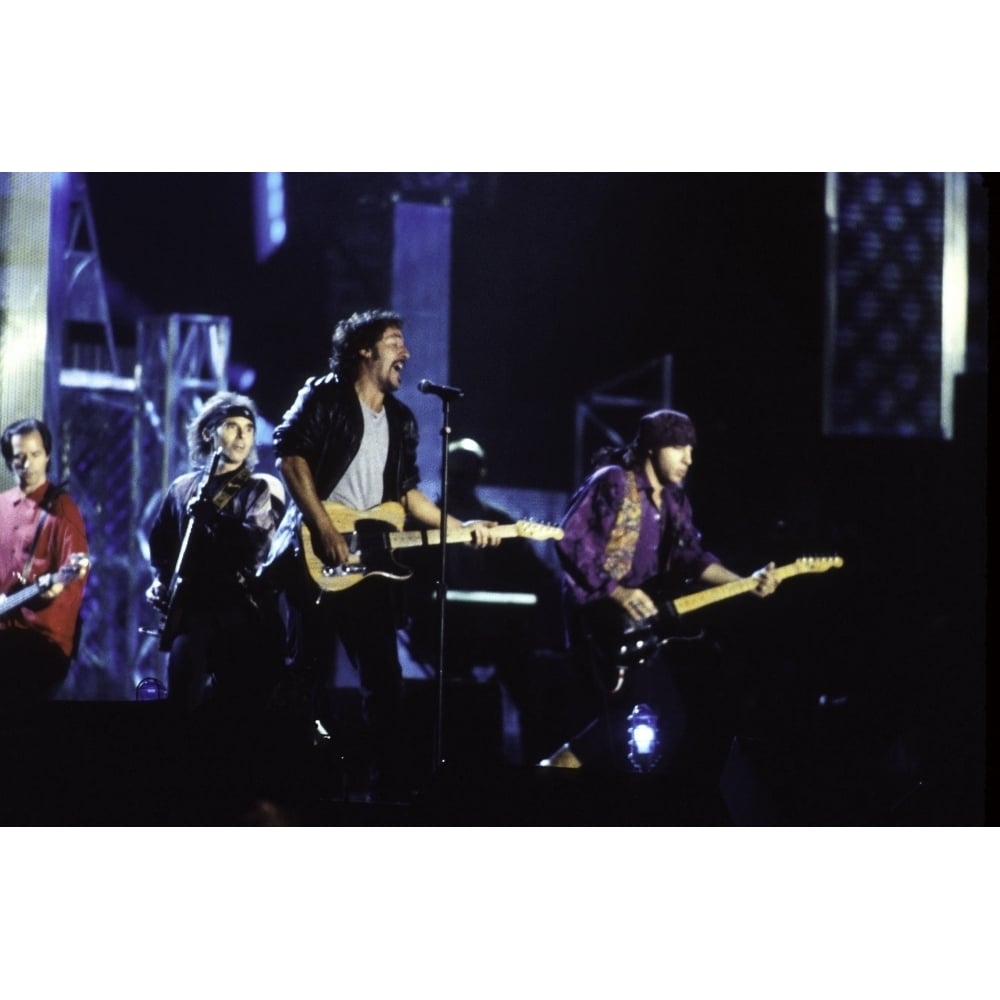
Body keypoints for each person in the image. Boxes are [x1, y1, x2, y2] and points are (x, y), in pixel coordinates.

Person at [263, 308, 499, 800]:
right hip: (316, 557)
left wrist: (461, 528)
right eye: (394, 342)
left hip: (370, 564)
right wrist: (324, 528)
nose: (406, 353)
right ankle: (298, 786)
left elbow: (408, 495)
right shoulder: (325, 395)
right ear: (364, 351)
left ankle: (378, 790)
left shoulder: (403, 420)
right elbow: (290, 457)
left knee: (385, 683)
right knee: (307, 677)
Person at [538, 408, 779, 777]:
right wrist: (617, 593)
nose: (689, 458)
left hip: (639, 626)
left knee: (659, 717)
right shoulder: (615, 482)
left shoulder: (673, 501)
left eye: (692, 449)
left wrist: (745, 581)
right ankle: (551, 775)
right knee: (630, 717)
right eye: (678, 446)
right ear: (652, 447)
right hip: (597, 619)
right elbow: (569, 538)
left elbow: (692, 559)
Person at [146, 391, 286, 736]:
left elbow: (256, 546)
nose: (242, 436)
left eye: (249, 428)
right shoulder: (182, 488)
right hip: (190, 613)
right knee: (182, 702)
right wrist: (161, 581)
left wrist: (215, 520)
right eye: (232, 426)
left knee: (235, 710)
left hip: (238, 613)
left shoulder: (259, 488)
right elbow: (161, 543)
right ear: (210, 433)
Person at [0, 418, 90, 710]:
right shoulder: (2, 505)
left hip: (40, 641)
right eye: (19, 457)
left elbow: (72, 574)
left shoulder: (62, 508)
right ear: (8, 460)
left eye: (35, 455)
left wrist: (55, 588)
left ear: (48, 456)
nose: (27, 464)